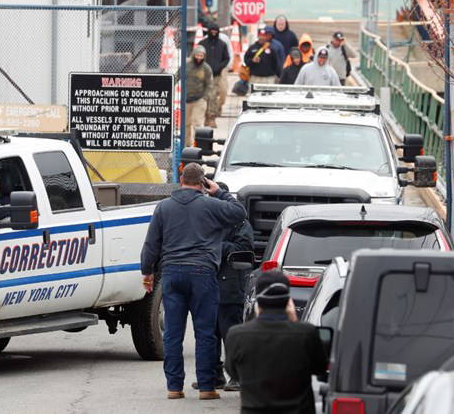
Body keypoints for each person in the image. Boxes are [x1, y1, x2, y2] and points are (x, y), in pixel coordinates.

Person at [140, 163, 247, 401]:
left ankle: (174, 387)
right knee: (205, 332)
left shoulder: (164, 207)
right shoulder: (212, 204)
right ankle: (207, 387)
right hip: (202, 274)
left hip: (173, 274)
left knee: (173, 333)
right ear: (203, 183)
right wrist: (219, 191)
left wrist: (147, 272)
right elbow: (240, 213)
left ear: (180, 180)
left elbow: (151, 244)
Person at [225, 270, 328, 414]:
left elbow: (233, 372)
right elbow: (320, 368)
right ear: (289, 301)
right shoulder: (306, 333)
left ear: (258, 302)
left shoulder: (237, 335)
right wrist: (295, 322)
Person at [214, 220, 254, 392]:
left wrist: (213, 246)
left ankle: (237, 376)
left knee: (231, 334)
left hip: (230, 287)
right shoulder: (207, 219)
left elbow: (243, 249)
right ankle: (214, 376)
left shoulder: (240, 223)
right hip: (210, 285)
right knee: (209, 335)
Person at [200, 22, 231, 127]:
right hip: (204, 75)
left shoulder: (222, 44)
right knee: (205, 97)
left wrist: (220, 67)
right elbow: (197, 57)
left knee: (213, 96)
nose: (213, 32)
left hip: (217, 75)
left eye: (215, 31)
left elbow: (226, 58)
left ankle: (211, 117)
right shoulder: (203, 43)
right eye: (212, 30)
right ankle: (204, 117)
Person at [185, 45, 213, 143]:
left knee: (197, 123)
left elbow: (209, 84)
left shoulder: (206, 68)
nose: (199, 58)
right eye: (197, 55)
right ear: (194, 55)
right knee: (186, 124)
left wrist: (205, 97)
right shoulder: (187, 66)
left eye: (201, 56)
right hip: (187, 99)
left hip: (199, 99)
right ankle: (187, 145)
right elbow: (177, 76)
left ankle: (198, 145)